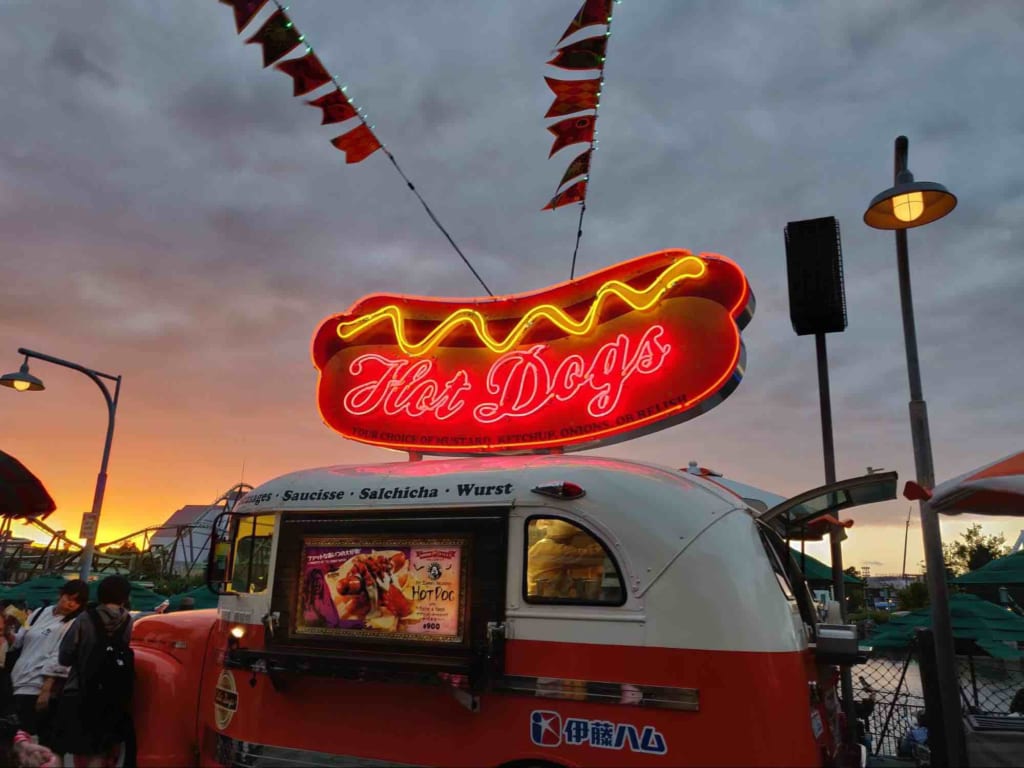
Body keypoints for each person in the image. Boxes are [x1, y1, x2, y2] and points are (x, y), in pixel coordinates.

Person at [53, 575, 135, 767]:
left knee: (64, 746)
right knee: (100, 750)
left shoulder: (85, 618)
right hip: (112, 695)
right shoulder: (128, 621)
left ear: (100, 594)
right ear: (124, 597)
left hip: (78, 691)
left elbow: (64, 656)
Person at [8, 580, 89, 744]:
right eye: (69, 598)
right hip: (18, 679)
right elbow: (18, 642)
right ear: (61, 594)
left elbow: (58, 657)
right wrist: (7, 630)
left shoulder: (73, 623)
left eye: (76, 602)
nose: (70, 604)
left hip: (37, 685)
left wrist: (46, 690)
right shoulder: (39, 612)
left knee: (25, 735)